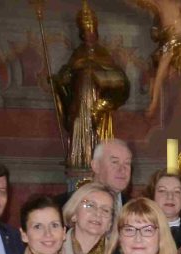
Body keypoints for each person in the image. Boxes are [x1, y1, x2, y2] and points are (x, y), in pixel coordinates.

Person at [52, 2, 130, 171]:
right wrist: (58, 80)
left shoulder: (103, 54)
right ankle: (80, 164)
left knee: (99, 135)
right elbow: (68, 76)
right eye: (86, 31)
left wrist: (104, 101)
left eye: (92, 30)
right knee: (79, 129)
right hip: (80, 103)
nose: (90, 34)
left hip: (98, 104)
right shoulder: (78, 53)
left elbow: (117, 79)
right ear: (82, 33)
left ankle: (100, 166)